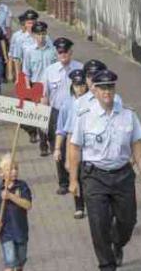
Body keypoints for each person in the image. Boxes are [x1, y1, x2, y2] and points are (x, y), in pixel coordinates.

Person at [69, 69, 141, 271]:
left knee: (128, 221)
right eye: (103, 88)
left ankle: (117, 241)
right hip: (94, 176)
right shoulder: (84, 116)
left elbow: (137, 143)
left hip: (122, 174)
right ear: (94, 90)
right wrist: (73, 179)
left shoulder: (128, 114)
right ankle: (107, 265)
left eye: (110, 87)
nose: (107, 92)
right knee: (98, 224)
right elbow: (75, 147)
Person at [41, 37, 83, 193]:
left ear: (71, 52)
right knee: (57, 146)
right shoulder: (49, 71)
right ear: (56, 53)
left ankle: (77, 177)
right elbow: (44, 96)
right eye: (60, 52)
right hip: (57, 112)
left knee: (76, 145)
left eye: (66, 51)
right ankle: (63, 182)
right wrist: (43, 118)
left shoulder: (80, 68)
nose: (63, 54)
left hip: (77, 112)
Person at [55, 69, 88, 219]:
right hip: (74, 144)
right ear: (72, 86)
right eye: (77, 85)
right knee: (75, 176)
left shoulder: (92, 101)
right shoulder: (68, 104)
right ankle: (79, 206)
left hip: (89, 145)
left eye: (82, 85)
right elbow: (62, 129)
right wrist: (58, 150)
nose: (80, 89)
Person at [0, 154, 32, 271]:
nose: (14, 171)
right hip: (6, 233)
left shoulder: (22, 186)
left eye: (16, 168)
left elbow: (28, 205)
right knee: (10, 263)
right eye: (10, 169)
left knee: (20, 262)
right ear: (2, 173)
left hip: (21, 231)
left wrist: (10, 196)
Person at [22, 21, 56, 156]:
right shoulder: (29, 51)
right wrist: (28, 87)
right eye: (38, 34)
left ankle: (51, 140)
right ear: (34, 35)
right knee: (41, 116)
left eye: (43, 34)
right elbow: (26, 72)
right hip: (37, 85)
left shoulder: (53, 50)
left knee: (51, 115)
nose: (41, 37)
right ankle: (43, 142)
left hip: (51, 85)